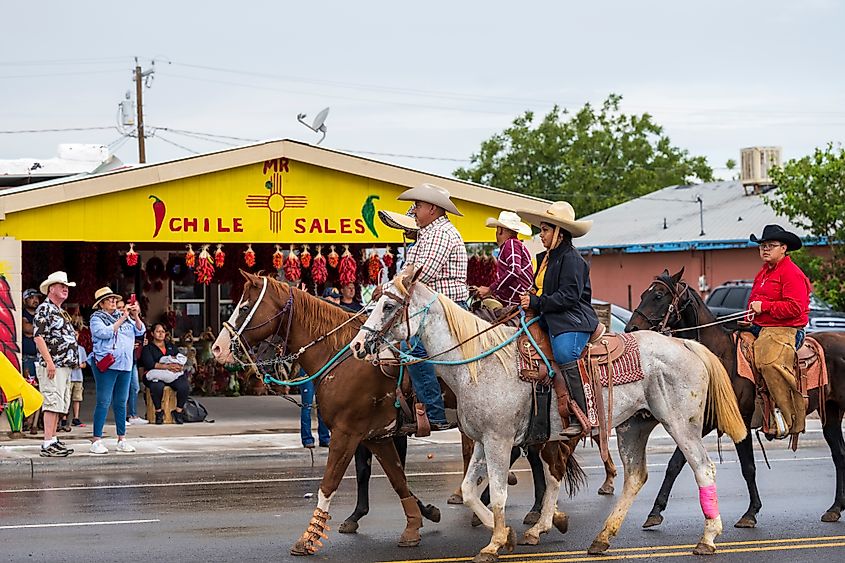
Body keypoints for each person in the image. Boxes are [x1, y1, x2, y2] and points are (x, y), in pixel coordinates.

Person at [517, 202, 599, 438]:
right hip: (550, 317)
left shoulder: (573, 259)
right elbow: (542, 290)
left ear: (559, 233)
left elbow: (570, 296)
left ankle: (584, 414)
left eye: (545, 230)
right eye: (541, 230)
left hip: (572, 320)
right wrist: (531, 298)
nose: (540, 235)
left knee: (564, 354)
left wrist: (536, 303)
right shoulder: (547, 259)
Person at [396, 183, 468, 431]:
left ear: (433, 208)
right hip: (433, 307)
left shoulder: (441, 234)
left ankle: (434, 413)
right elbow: (408, 269)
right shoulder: (428, 233)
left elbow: (418, 275)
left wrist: (394, 285)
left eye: (418, 205)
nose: (414, 211)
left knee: (412, 348)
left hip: (446, 308)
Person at [747, 224, 811, 437]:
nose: (765, 249)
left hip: (787, 329)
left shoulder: (792, 273)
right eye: (762, 246)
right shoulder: (763, 273)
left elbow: (795, 308)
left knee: (769, 362)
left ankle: (789, 416)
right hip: (762, 327)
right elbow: (755, 301)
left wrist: (764, 307)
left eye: (771, 245)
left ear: (784, 248)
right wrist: (750, 314)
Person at [89, 286, 145, 454]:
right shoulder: (96, 318)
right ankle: (96, 440)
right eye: (109, 299)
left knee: (121, 402)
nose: (113, 301)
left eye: (114, 299)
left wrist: (135, 316)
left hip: (125, 364)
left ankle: (122, 438)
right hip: (107, 364)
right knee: (103, 401)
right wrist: (123, 317)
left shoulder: (124, 317)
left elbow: (140, 330)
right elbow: (104, 333)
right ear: (101, 304)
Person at [32, 271, 78, 457]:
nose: (66, 289)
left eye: (66, 286)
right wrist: (49, 362)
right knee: (52, 402)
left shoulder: (60, 311)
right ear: (52, 289)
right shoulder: (44, 309)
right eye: (62, 286)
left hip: (63, 364)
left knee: (59, 402)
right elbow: (38, 336)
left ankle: (53, 438)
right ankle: (47, 442)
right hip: (53, 364)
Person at [475, 210, 534, 307]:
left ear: (500, 230)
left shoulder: (510, 244)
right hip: (516, 300)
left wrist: (490, 289)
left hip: (516, 303)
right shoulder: (514, 245)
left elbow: (514, 271)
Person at [140, 323, 191, 424]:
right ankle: (158, 412)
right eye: (158, 332)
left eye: (162, 332)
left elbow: (179, 359)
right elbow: (150, 364)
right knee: (157, 386)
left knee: (184, 386)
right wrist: (167, 366)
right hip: (154, 375)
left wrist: (179, 367)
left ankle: (178, 411)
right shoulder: (148, 348)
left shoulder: (170, 346)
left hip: (172, 375)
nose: (160, 334)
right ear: (152, 333)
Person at [21, 288, 41, 380]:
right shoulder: (22, 313)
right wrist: (40, 329)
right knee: (30, 383)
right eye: (32, 298)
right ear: (25, 300)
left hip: (41, 357)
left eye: (37, 298)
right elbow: (27, 329)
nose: (35, 300)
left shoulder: (40, 314)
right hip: (27, 358)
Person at [69, 328, 87, 427]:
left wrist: (80, 365)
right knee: (67, 397)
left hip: (78, 377)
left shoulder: (81, 349)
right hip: (69, 376)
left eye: (76, 334)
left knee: (77, 398)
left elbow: (85, 364)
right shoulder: (66, 348)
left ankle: (76, 417)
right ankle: (64, 418)